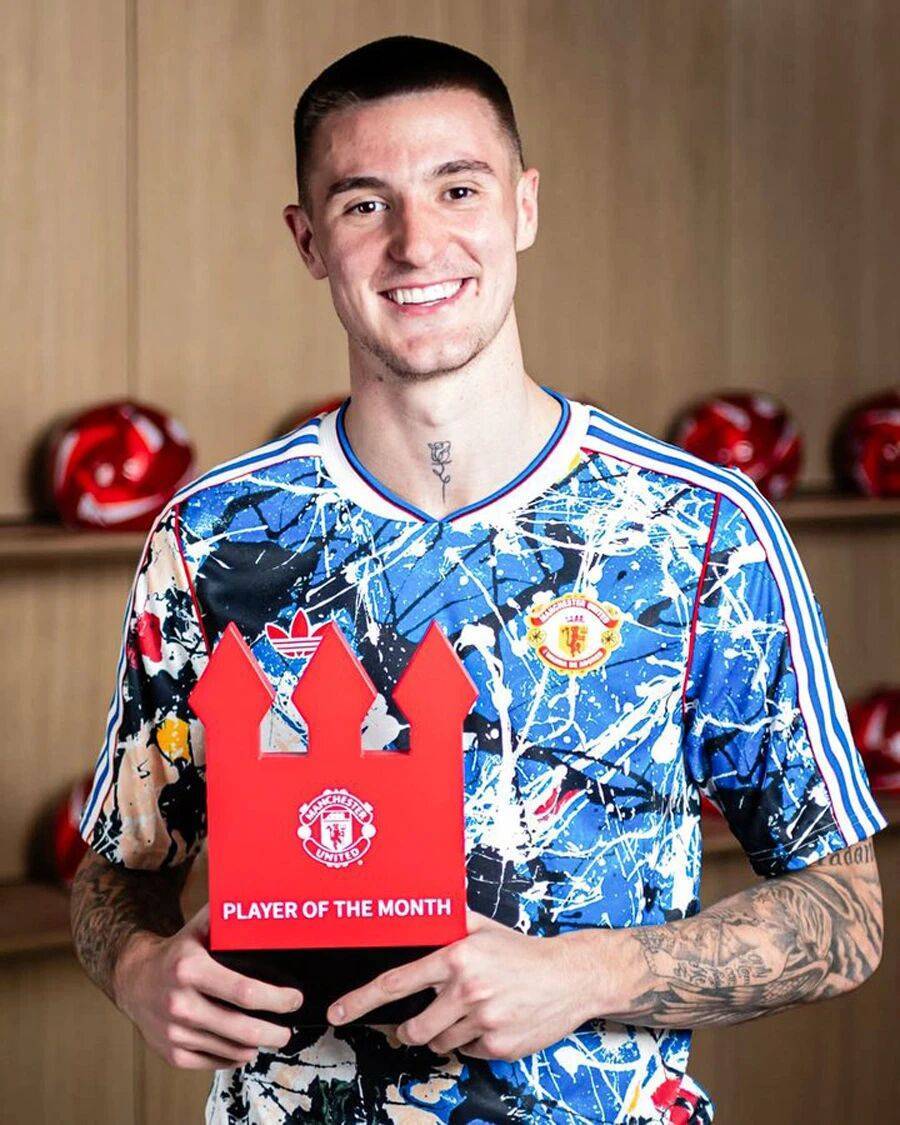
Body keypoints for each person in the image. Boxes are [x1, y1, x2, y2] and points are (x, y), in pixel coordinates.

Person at [71, 34, 886, 1125]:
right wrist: (137, 970)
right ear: (308, 240)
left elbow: (846, 911)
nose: (417, 243)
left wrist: (588, 975)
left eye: (459, 188)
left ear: (524, 207)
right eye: (366, 204)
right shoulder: (212, 535)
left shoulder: (700, 530)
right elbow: (120, 864)